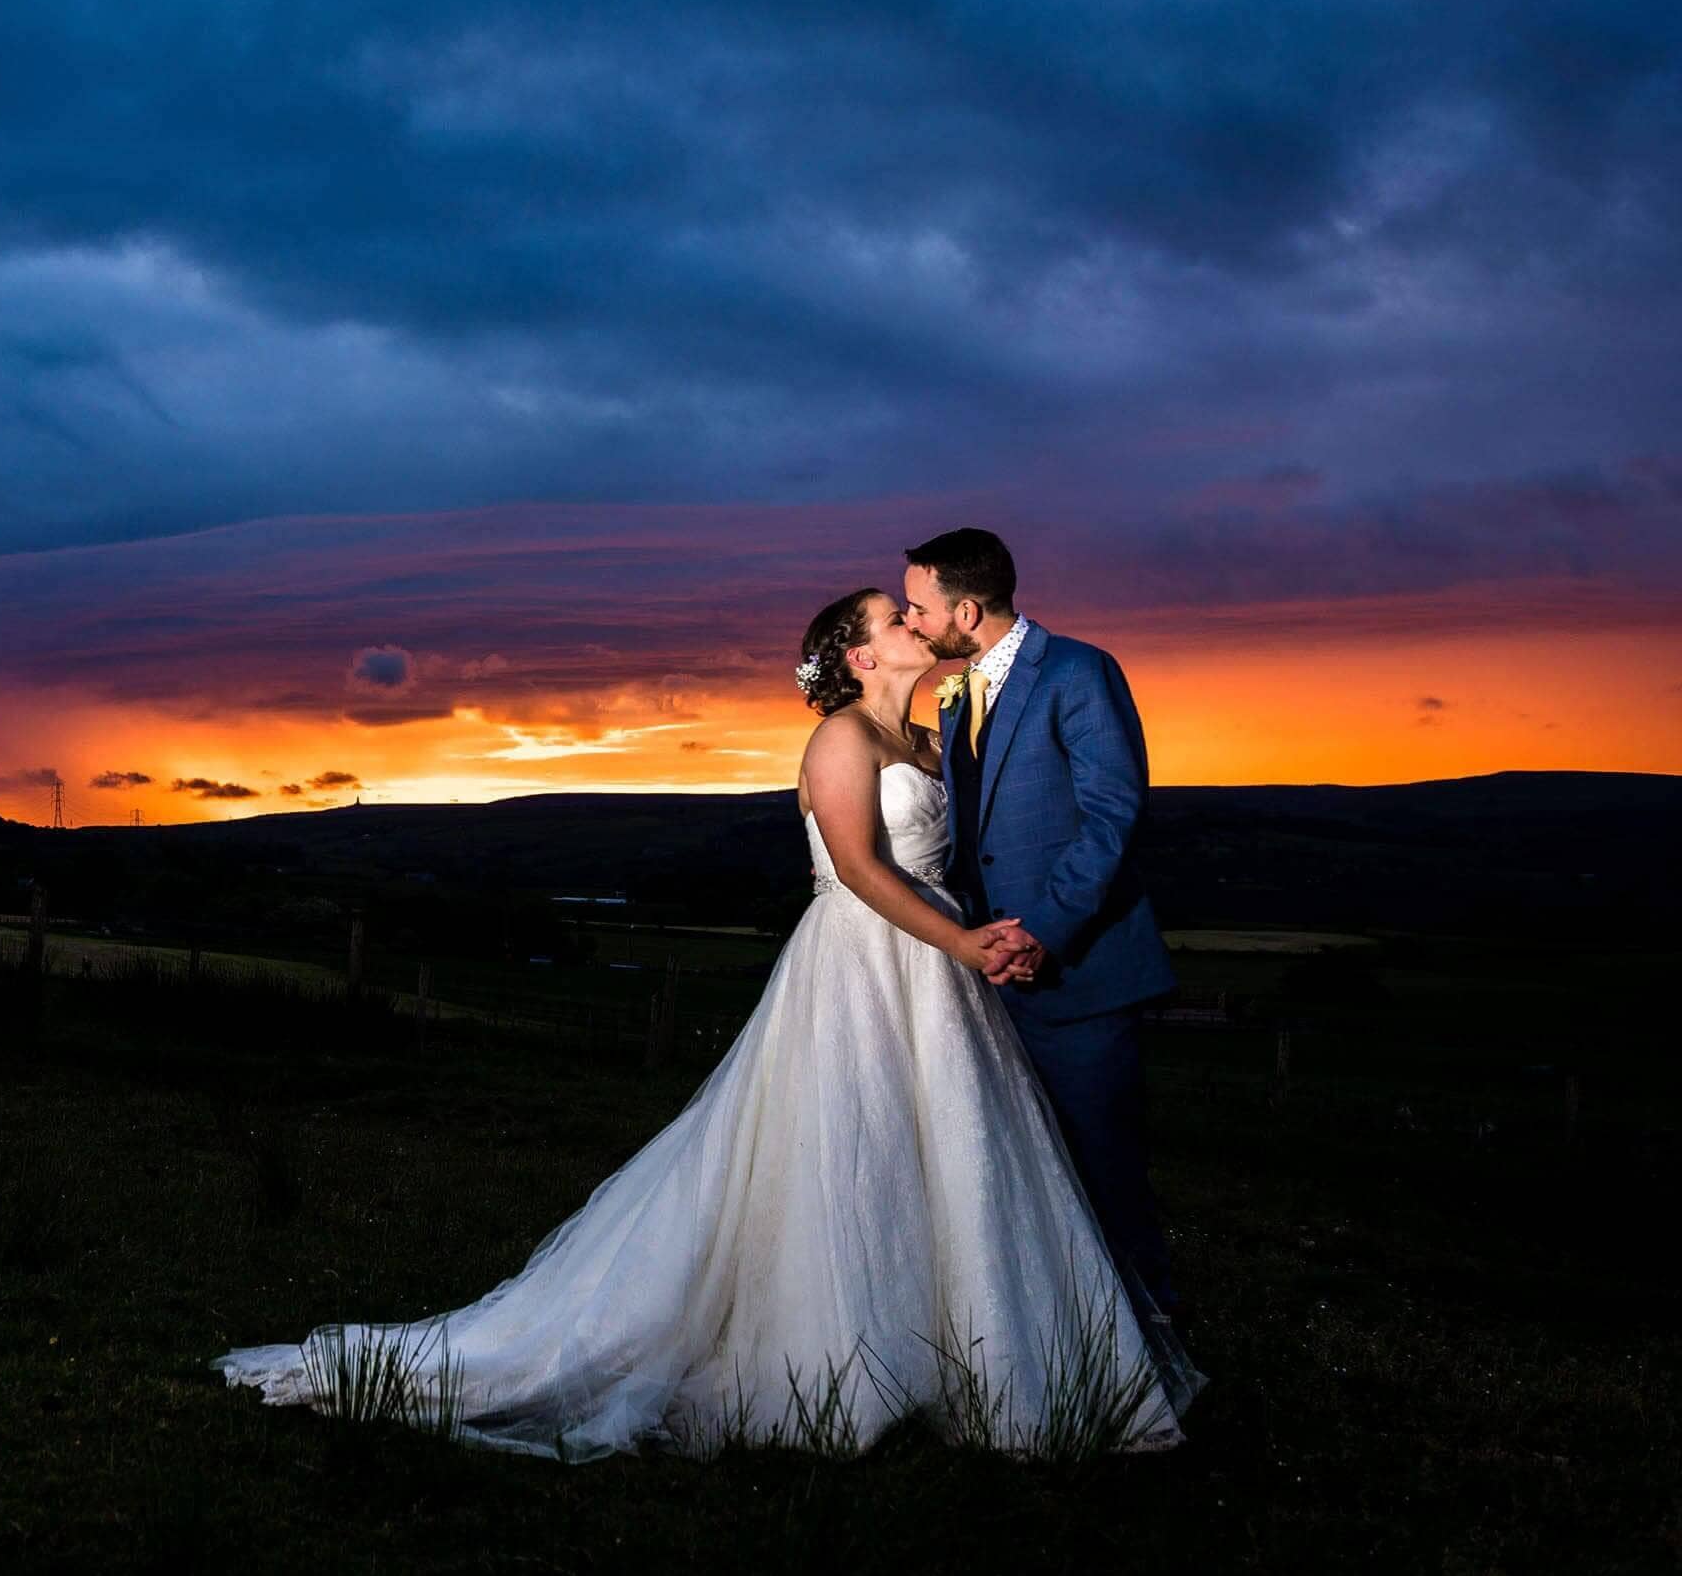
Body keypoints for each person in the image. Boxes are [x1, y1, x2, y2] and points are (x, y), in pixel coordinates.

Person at [211, 587, 1201, 1462]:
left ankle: (970, 1359)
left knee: (947, 1153)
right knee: (845, 1150)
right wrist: (965, 944)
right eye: (892, 617)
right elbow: (859, 869)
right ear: (858, 656)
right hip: (867, 964)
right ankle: (836, 1362)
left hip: (942, 977)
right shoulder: (841, 740)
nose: (912, 621)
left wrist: (995, 935)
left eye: (911, 610)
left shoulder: (935, 740)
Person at [899, 528, 1182, 1328]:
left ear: (967, 608)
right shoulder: (958, 693)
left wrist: (1043, 930)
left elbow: (1111, 818)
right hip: (990, 976)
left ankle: (1147, 1334)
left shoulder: (1078, 672)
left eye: (920, 608)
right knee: (1023, 1166)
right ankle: (1051, 1325)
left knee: (1103, 1165)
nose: (913, 622)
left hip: (1078, 970)